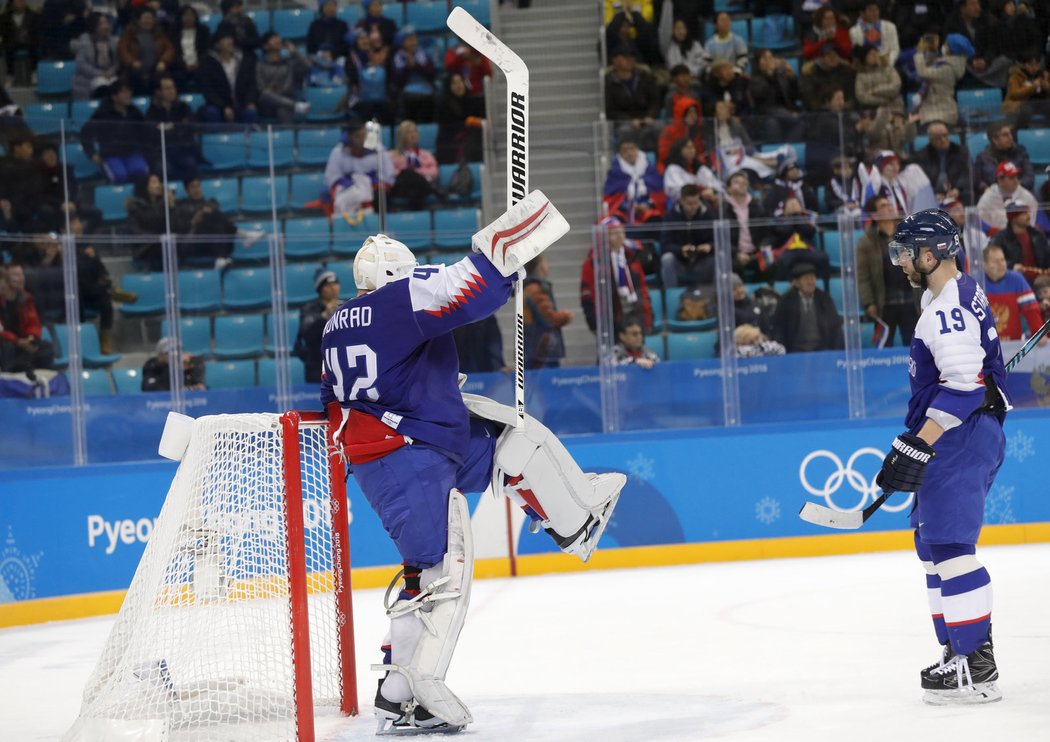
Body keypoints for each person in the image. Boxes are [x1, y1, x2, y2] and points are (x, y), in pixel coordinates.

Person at [319, 195, 623, 733]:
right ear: (397, 274)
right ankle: (408, 692)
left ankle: (574, 520)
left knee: (513, 443)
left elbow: (363, 385)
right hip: (404, 454)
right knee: (437, 570)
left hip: (417, 442)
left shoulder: (339, 320)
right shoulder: (397, 302)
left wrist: (502, 280)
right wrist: (508, 255)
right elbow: (465, 291)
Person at [876, 208, 1008, 705]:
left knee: (951, 549)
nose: (902, 262)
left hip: (960, 436)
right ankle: (956, 653)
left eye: (907, 253)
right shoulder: (953, 291)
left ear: (931, 255)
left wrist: (919, 440)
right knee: (931, 548)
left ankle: (978, 666)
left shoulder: (945, 311)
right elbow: (974, 377)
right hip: (962, 434)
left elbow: (962, 387)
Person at [857, 194, 918, 347]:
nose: (889, 207)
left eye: (889, 204)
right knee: (884, 345)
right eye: (883, 205)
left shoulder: (908, 233)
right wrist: (869, 302)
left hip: (910, 299)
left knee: (914, 345)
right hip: (884, 302)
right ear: (874, 215)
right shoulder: (866, 241)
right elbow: (862, 276)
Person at [580, 216, 653, 334]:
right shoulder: (594, 264)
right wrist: (595, 325)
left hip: (635, 315)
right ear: (604, 237)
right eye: (614, 233)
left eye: (621, 231)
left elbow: (642, 289)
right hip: (610, 321)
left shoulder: (632, 258)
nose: (620, 236)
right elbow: (587, 297)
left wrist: (647, 319)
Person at [80, 79, 150, 185]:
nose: (128, 95)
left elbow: (145, 132)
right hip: (111, 155)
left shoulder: (134, 112)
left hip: (132, 153)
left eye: (129, 91)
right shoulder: (102, 114)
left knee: (141, 172)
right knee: (120, 176)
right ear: (114, 96)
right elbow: (85, 133)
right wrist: (92, 154)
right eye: (124, 92)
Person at [324, 120, 396, 218]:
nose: (363, 139)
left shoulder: (378, 148)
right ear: (350, 137)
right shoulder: (338, 152)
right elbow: (331, 177)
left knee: (381, 196)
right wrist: (349, 184)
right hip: (349, 188)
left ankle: (380, 229)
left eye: (364, 135)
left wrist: (373, 183)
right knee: (340, 198)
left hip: (374, 187)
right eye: (358, 136)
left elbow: (389, 173)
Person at [771, 261, 844, 353]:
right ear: (796, 283)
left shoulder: (825, 299)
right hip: (795, 351)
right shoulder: (786, 301)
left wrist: (837, 354)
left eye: (813, 278)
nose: (810, 282)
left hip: (822, 350)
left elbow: (835, 327)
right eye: (806, 278)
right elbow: (779, 330)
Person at [982, 243, 1045, 341]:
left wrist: (1038, 333)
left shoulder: (1017, 280)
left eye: (1002, 260)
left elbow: (1031, 309)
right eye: (996, 261)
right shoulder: (975, 282)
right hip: (988, 349)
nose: (1001, 264)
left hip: (1013, 346)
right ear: (984, 265)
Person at [0, 263, 55, 375]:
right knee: (7, 347)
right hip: (8, 342)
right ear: (6, 279)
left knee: (45, 347)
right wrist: (17, 341)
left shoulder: (26, 298)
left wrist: (32, 337)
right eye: (16, 275)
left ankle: (42, 382)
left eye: (22, 274)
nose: (21, 278)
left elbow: (34, 323)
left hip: (22, 341)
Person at [602, 134, 665, 226]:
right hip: (624, 211)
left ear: (637, 150)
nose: (629, 153)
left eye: (632, 149)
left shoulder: (649, 170)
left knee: (656, 219)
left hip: (647, 209)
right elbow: (612, 199)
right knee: (615, 221)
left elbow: (658, 194)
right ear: (620, 154)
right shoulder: (615, 173)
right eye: (625, 150)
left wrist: (647, 205)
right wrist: (631, 207)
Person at [146, 75, 199, 182]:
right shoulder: (153, 110)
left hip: (182, 150)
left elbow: (190, 127)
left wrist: (171, 128)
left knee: (191, 165)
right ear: (159, 92)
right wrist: (176, 127)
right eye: (167, 88)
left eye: (173, 87)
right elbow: (151, 132)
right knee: (163, 169)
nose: (171, 91)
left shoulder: (183, 107)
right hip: (161, 152)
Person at [199, 29, 259, 124]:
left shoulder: (243, 61)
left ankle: (247, 138)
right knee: (212, 112)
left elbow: (251, 83)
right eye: (225, 39)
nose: (230, 41)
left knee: (251, 112)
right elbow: (208, 90)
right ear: (217, 44)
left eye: (230, 39)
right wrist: (224, 106)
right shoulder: (209, 63)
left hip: (240, 103)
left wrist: (250, 101)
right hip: (218, 105)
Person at [659, 183, 714, 288]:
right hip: (679, 262)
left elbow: (718, 240)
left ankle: (711, 293)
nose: (693, 207)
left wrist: (710, 246)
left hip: (702, 261)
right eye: (690, 204)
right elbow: (664, 244)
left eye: (696, 203)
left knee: (718, 258)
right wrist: (681, 250)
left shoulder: (708, 214)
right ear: (682, 201)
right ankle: (672, 296)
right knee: (667, 259)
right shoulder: (671, 216)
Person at [523, 254, 572, 369]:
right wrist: (565, 316)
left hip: (537, 350)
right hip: (542, 350)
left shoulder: (530, 288)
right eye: (545, 262)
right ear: (539, 266)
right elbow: (548, 319)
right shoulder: (535, 289)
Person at [293, 269, 341, 384]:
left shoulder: (344, 306)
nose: (333, 288)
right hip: (316, 368)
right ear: (320, 289)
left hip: (340, 365)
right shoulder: (309, 309)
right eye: (328, 285)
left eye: (335, 284)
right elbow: (307, 334)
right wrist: (324, 315)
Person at [989, 199, 1050, 287]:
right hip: (1013, 282)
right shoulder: (999, 238)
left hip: (1040, 282)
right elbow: (992, 259)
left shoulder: (1038, 235)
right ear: (1014, 218)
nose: (1028, 215)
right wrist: (1011, 266)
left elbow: (1047, 258)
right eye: (1024, 213)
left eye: (1028, 212)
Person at [912, 121, 973, 206]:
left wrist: (957, 190)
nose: (943, 140)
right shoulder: (922, 156)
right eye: (938, 138)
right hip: (932, 196)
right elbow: (919, 181)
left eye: (945, 135)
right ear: (931, 140)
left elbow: (968, 173)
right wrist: (932, 194)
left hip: (957, 194)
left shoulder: (961, 152)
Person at [117, 7, 175, 96]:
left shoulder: (159, 33)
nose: (148, 21)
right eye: (145, 18)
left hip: (155, 68)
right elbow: (122, 50)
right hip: (136, 68)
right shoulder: (129, 33)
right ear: (138, 20)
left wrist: (163, 61)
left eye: (151, 19)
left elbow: (169, 49)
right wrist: (132, 62)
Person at [256, 31, 310, 123]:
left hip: (287, 99)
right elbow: (261, 89)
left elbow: (307, 66)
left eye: (277, 37)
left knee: (283, 109)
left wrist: (294, 52)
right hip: (268, 103)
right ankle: (295, 106)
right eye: (273, 38)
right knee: (266, 94)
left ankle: (288, 135)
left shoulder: (288, 63)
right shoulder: (260, 66)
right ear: (265, 46)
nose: (277, 40)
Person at [389, 120, 440, 211]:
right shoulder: (392, 155)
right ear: (402, 136)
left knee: (415, 190)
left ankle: (417, 220)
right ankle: (435, 190)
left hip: (421, 186)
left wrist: (416, 173)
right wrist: (408, 173)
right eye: (409, 132)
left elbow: (434, 172)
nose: (413, 135)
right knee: (407, 172)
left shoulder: (426, 154)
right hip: (401, 187)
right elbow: (390, 173)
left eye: (415, 131)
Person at [435, 72, 484, 164]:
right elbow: (448, 128)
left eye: (460, 81)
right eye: (454, 83)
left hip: (471, 141)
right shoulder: (444, 106)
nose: (458, 85)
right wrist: (468, 123)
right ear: (449, 87)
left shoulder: (472, 102)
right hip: (451, 143)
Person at [973, 122, 1034, 197]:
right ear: (994, 139)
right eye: (1005, 135)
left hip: (1019, 194)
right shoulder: (982, 158)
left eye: (1010, 134)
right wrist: (987, 189)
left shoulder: (1020, 153)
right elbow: (977, 181)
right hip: (992, 197)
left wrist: (1015, 186)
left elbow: (1029, 176)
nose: (1010, 137)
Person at [976, 161, 1038, 233]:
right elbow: (980, 224)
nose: (1016, 181)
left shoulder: (1026, 196)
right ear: (1000, 179)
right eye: (1011, 178)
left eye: (1016, 177)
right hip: (995, 238)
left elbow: (1031, 223)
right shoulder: (987, 199)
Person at [72, 12, 119, 100]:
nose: (106, 26)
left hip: (110, 76)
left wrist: (110, 72)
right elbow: (81, 65)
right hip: (89, 79)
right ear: (93, 26)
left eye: (106, 23)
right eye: (101, 23)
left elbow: (117, 62)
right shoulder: (83, 42)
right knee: (101, 88)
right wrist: (100, 74)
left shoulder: (114, 41)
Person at [168, 5, 210, 92]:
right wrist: (184, 65)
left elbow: (206, 50)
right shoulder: (173, 32)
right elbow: (174, 52)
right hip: (181, 66)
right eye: (185, 15)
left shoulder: (203, 31)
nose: (188, 18)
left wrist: (198, 63)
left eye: (191, 15)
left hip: (199, 64)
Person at [141, 336, 206, 391]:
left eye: (179, 352)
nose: (176, 356)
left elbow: (199, 387)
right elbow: (149, 389)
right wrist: (175, 367)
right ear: (160, 355)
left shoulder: (186, 363)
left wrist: (194, 367)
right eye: (170, 353)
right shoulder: (152, 365)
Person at [849, 1, 900, 67]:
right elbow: (858, 55)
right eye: (870, 10)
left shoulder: (890, 27)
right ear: (862, 14)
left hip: (887, 64)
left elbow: (895, 49)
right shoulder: (854, 31)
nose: (875, 13)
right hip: (866, 67)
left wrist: (889, 61)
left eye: (876, 9)